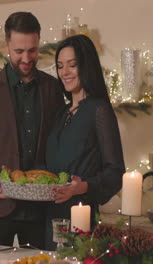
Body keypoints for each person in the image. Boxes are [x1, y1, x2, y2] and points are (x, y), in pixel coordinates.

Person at [0, 12, 65, 249]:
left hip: (42, 211)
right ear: (7, 45)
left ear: (38, 43)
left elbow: (60, 144)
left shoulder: (52, 88)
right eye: (19, 51)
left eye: (33, 50)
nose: (27, 58)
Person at [44, 34, 125, 250]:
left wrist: (82, 187)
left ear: (86, 66)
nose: (65, 72)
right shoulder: (61, 113)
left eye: (72, 65)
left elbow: (116, 173)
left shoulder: (99, 110)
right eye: (60, 66)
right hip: (48, 220)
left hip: (79, 219)